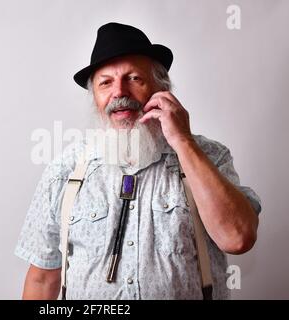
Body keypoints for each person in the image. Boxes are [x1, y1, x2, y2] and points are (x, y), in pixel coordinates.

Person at [15, 22, 262, 300]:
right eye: (105, 82)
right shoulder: (65, 170)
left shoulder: (210, 156)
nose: (119, 92)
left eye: (134, 78)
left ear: (161, 88)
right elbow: (42, 279)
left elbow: (237, 238)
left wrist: (183, 141)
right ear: (94, 97)